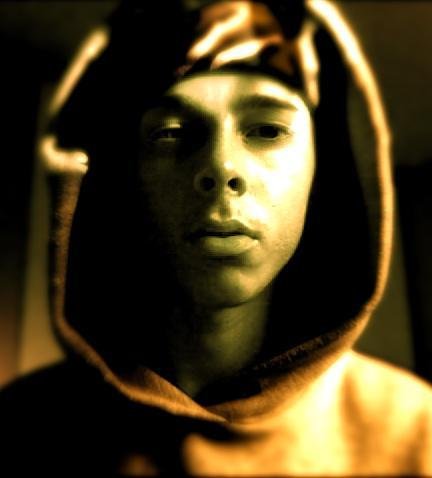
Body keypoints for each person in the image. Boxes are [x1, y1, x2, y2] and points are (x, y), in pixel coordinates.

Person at [1, 0, 431, 475]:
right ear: (123, 176)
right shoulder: (21, 429)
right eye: (171, 133)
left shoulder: (417, 434)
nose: (222, 165)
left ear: (323, 170)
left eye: (267, 130)